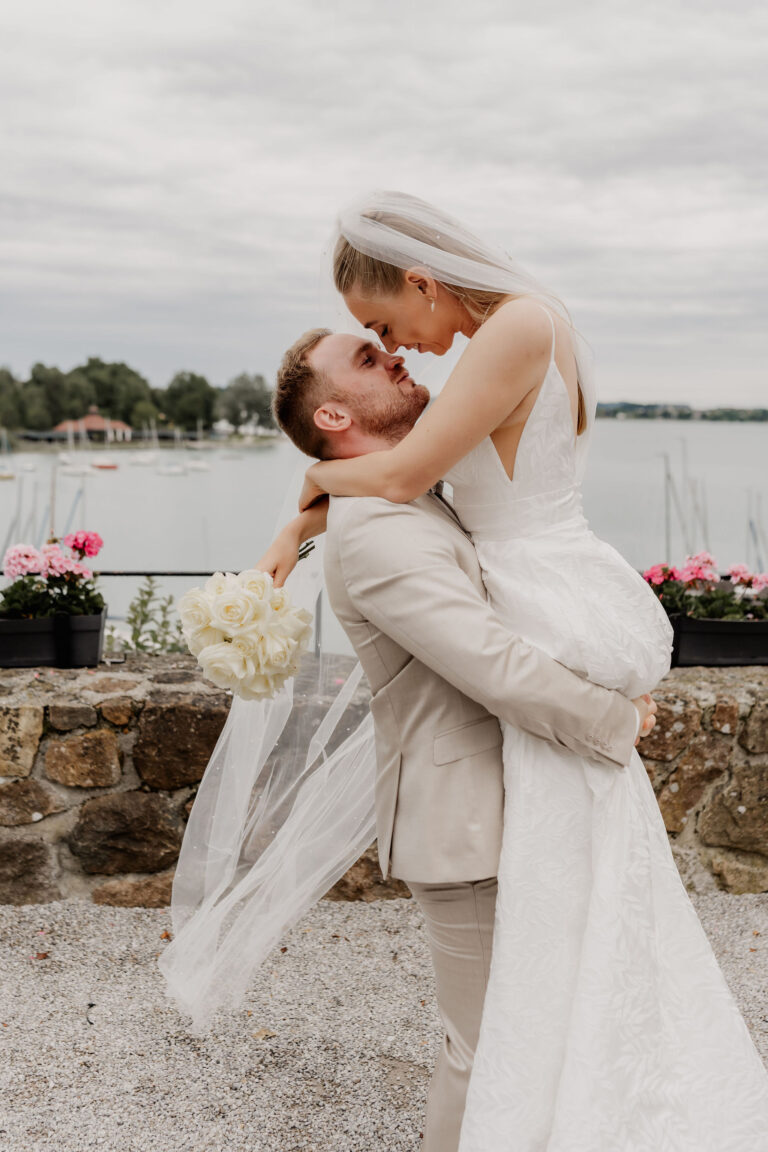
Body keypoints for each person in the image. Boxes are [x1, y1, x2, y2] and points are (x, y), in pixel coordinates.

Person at [259, 192, 768, 1151]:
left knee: (535, 1014)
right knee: (531, 1014)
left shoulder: (520, 323)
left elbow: (408, 478)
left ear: (422, 279)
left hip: (538, 634)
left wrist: (315, 489)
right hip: (515, 702)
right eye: (373, 344)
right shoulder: (510, 339)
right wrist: (314, 509)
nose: (398, 345)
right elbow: (416, 485)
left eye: (382, 324)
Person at [268, 326, 655, 1152]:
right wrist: (614, 719)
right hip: (462, 824)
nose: (396, 356)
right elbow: (492, 663)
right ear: (334, 411)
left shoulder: (402, 491)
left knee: (541, 1034)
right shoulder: (374, 532)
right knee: (484, 1050)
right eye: (368, 360)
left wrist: (304, 501)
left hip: (516, 798)